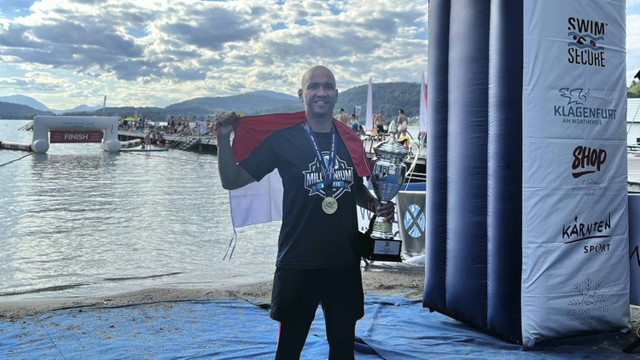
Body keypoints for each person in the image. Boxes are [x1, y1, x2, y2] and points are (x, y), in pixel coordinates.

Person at [216, 65, 394, 360]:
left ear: (336, 94)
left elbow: (356, 188)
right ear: (301, 95)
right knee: (288, 352)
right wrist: (224, 139)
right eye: (313, 87)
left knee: (342, 352)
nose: (320, 92)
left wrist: (375, 203)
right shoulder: (282, 140)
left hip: (344, 262)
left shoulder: (349, 140)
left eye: (327, 86)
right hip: (298, 260)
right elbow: (231, 180)